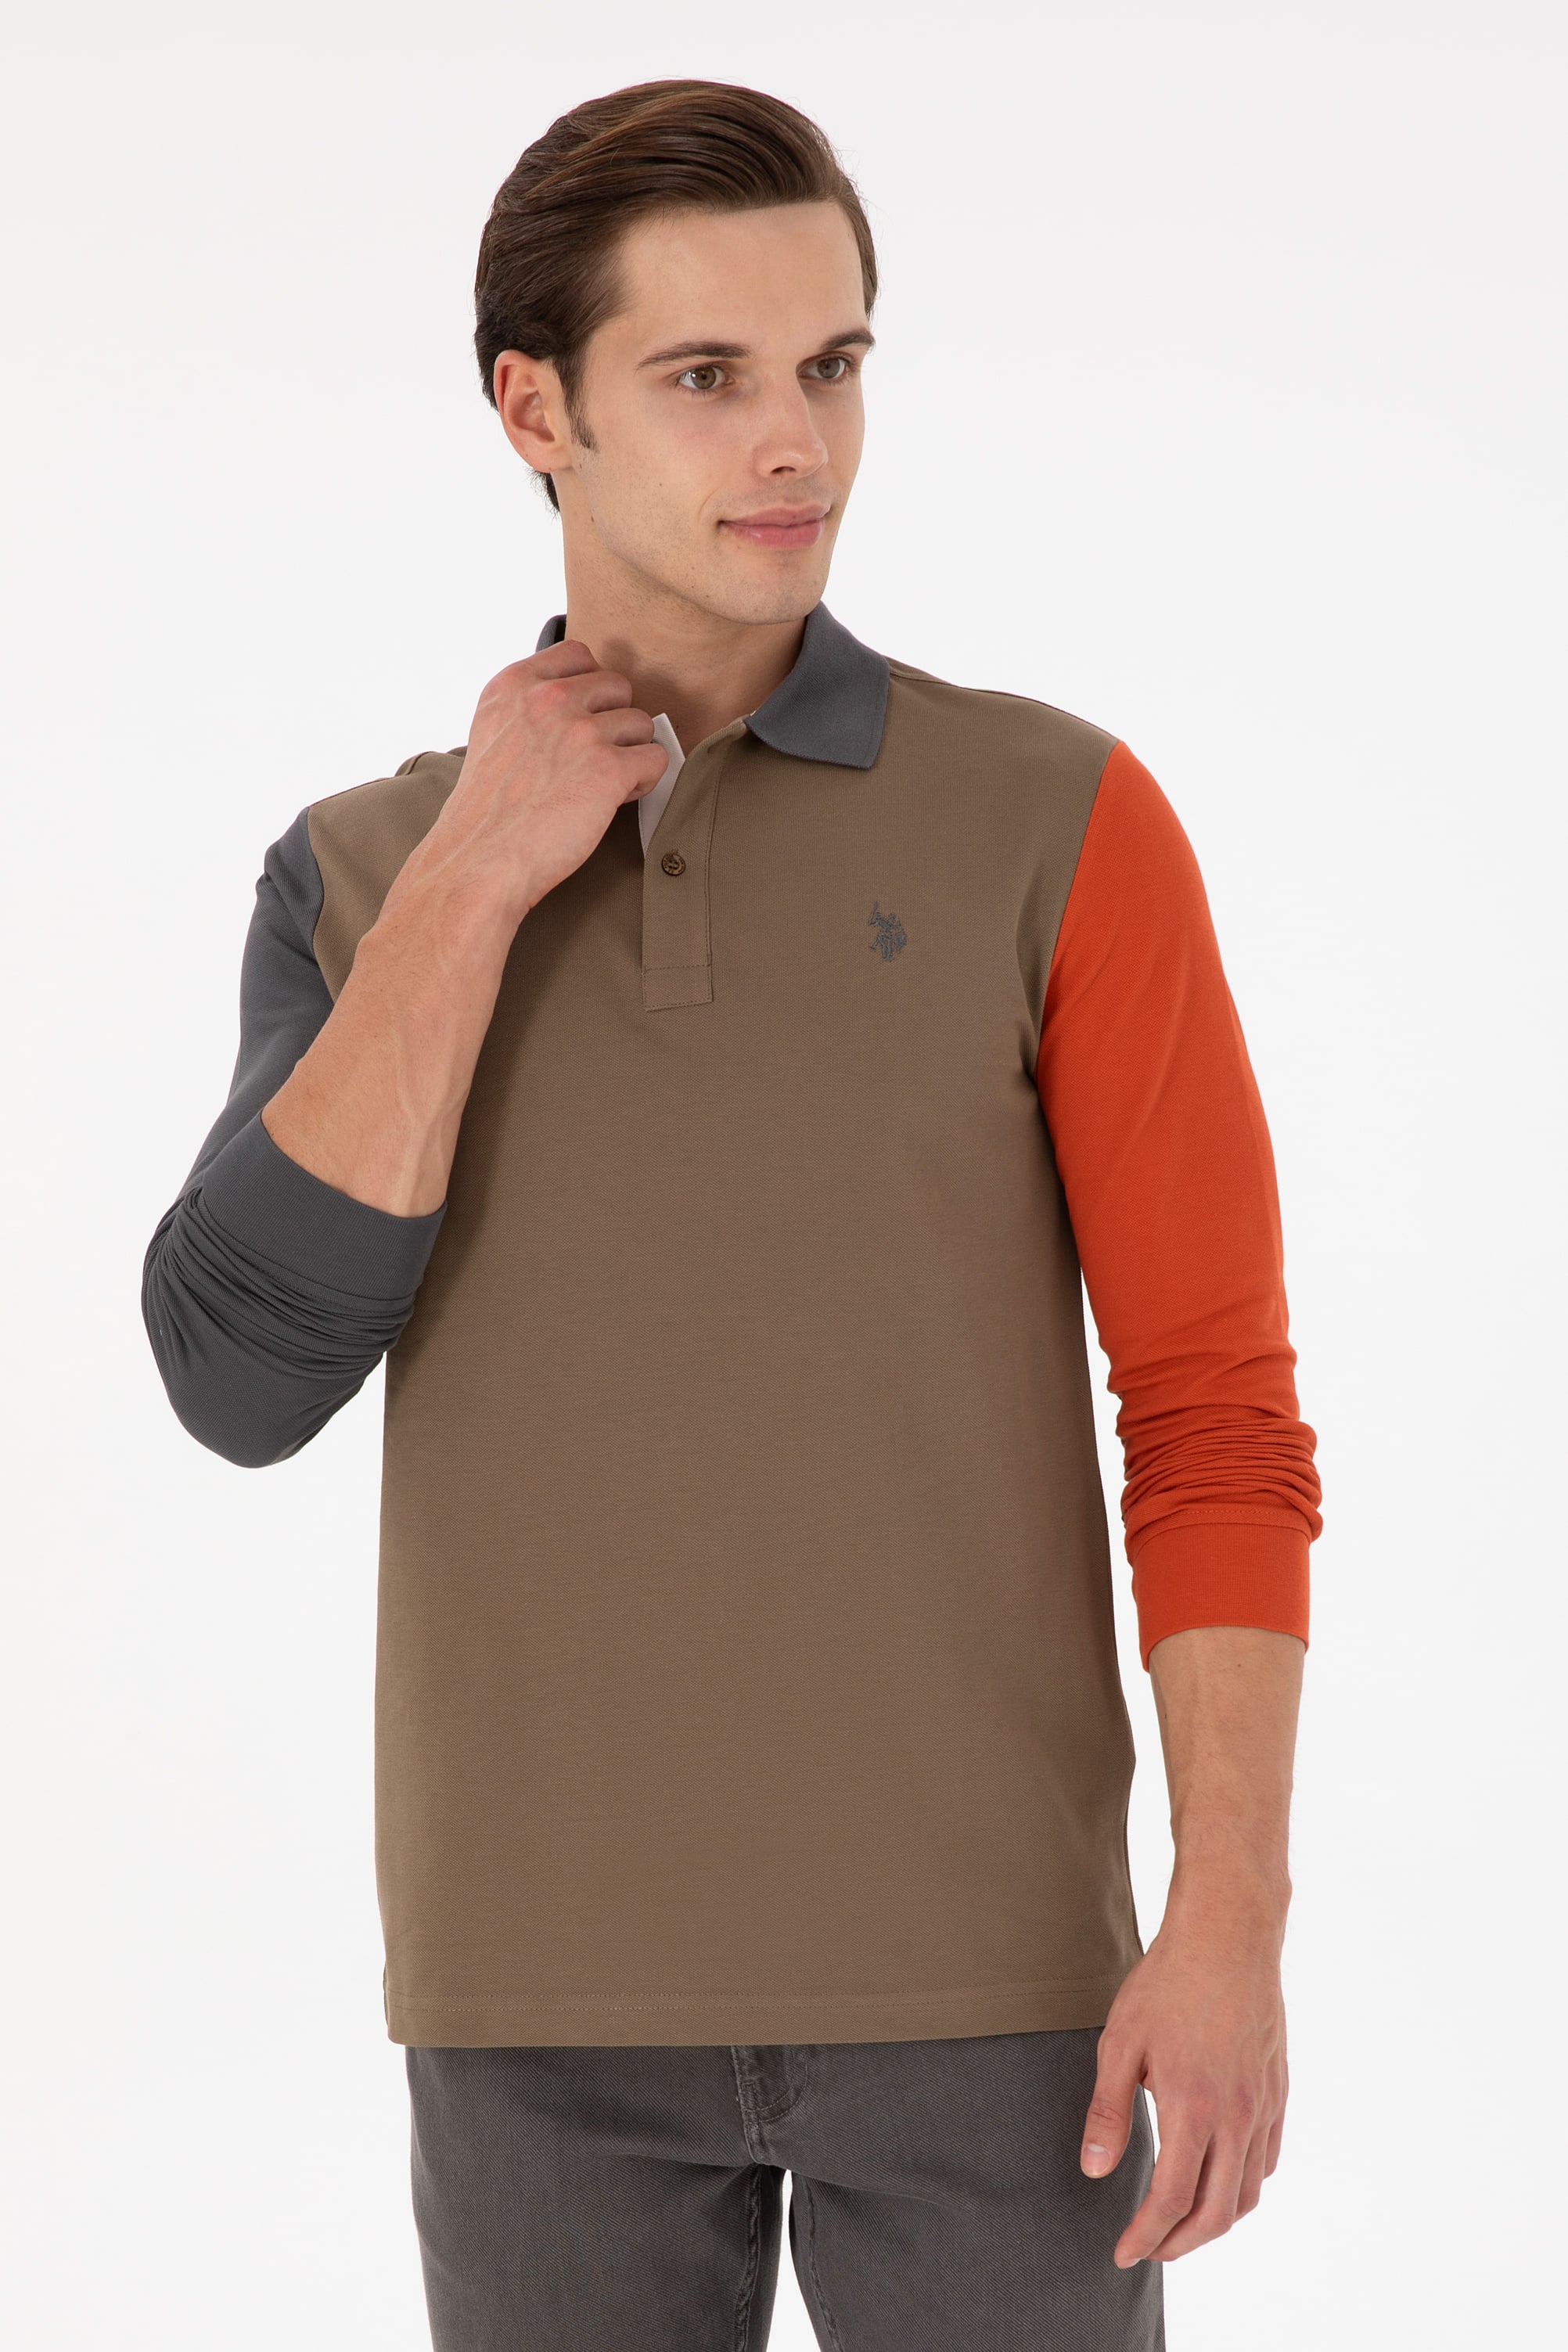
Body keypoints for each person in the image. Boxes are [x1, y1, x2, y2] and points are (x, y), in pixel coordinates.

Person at [142, 77, 1322, 2352]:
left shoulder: (1057, 819)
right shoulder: (367, 874)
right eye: (706, 375)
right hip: (534, 2009)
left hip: (1003, 1999)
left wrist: (1232, 1919)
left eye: (832, 364)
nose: (797, 443)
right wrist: (484, 871)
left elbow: (1209, 1411)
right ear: (535, 411)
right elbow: (236, 1378)